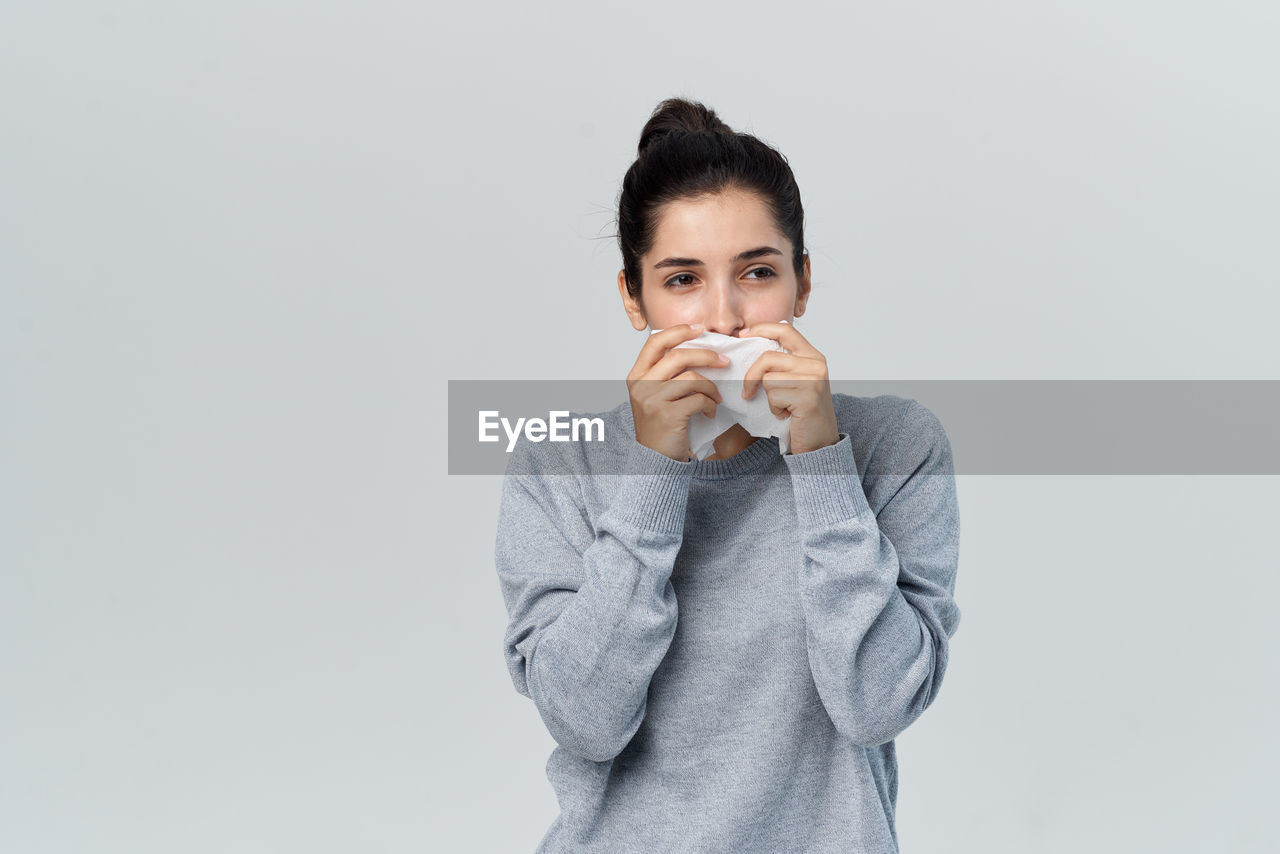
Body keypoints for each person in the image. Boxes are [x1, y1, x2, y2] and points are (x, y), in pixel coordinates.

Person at [494, 97, 961, 853]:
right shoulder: (558, 464)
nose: (724, 317)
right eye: (682, 280)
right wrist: (654, 472)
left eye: (757, 272)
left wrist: (819, 458)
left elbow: (877, 705)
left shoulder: (895, 446)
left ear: (802, 283)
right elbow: (584, 719)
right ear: (632, 297)